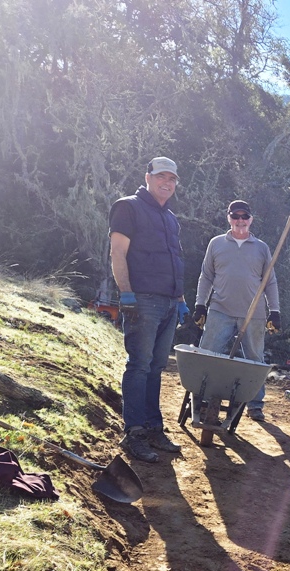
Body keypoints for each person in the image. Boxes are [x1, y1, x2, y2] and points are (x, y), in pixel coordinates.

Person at [109, 156, 188, 463]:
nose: (166, 183)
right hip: (143, 299)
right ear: (147, 177)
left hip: (169, 302)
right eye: (161, 177)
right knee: (139, 365)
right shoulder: (128, 207)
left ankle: (154, 427)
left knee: (156, 368)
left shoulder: (170, 218)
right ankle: (134, 432)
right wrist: (126, 294)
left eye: (172, 179)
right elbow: (118, 251)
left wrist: (180, 300)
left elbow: (174, 260)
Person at [191, 200, 280, 423]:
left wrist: (275, 311)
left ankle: (255, 405)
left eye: (244, 217)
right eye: (235, 217)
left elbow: (270, 282)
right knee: (209, 353)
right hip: (220, 310)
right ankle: (200, 398)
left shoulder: (261, 248)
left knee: (255, 360)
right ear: (229, 218)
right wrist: (200, 304)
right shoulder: (216, 244)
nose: (240, 221)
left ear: (251, 219)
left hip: (254, 314)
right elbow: (206, 276)